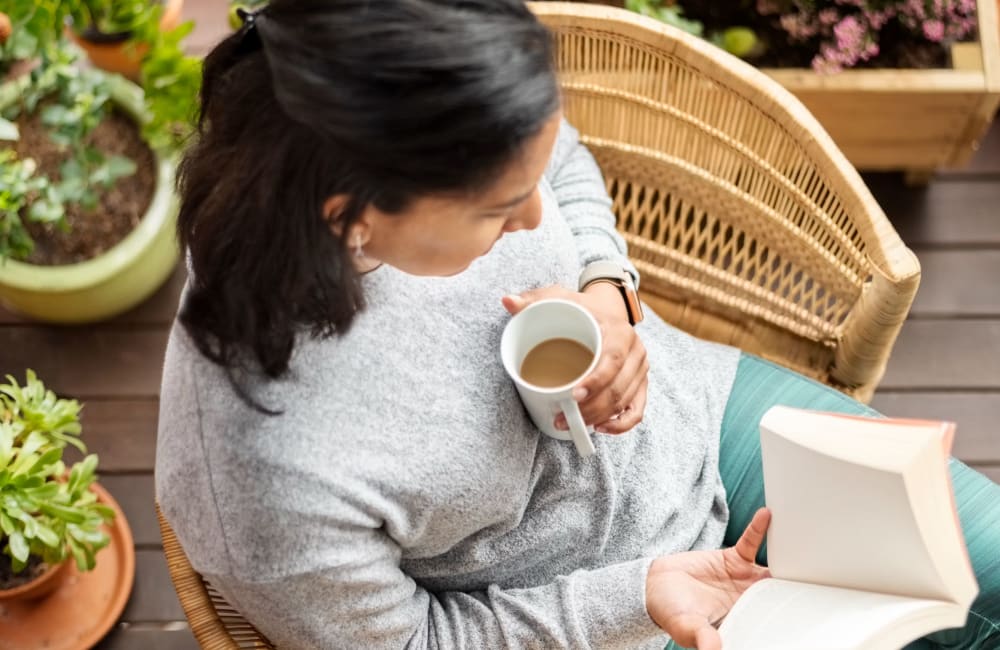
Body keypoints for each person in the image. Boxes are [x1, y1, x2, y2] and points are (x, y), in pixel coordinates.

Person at [154, 1, 1000, 648]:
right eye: (494, 211)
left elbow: (556, 160)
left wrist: (608, 291)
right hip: (612, 609)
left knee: (984, 574)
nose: (532, 220)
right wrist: (635, 596)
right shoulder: (263, 482)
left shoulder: (441, 108)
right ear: (350, 218)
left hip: (702, 417)